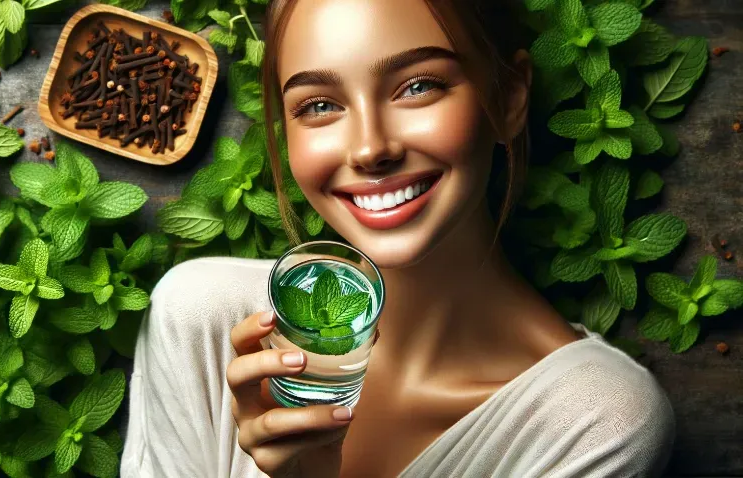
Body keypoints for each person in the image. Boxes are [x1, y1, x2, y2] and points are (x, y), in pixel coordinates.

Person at [120, 0, 676, 476]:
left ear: (508, 100)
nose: (369, 148)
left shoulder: (596, 420)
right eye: (318, 105)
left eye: (418, 86)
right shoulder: (201, 320)